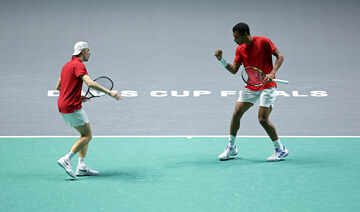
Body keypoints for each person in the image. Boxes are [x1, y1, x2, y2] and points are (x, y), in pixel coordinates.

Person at [214, 22, 289, 161]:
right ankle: (231, 148)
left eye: (236, 37)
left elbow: (280, 56)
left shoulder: (264, 42)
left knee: (263, 119)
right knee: (236, 113)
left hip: (267, 85)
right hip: (251, 86)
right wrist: (221, 60)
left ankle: (280, 150)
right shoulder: (240, 49)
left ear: (245, 35)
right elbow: (234, 70)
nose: (234, 40)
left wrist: (272, 73)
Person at [56, 41, 122, 178]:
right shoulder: (79, 66)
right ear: (82, 51)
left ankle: (82, 167)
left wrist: (78, 95)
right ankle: (67, 159)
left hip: (63, 104)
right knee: (87, 136)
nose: (90, 53)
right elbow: (90, 83)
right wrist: (111, 93)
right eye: (88, 50)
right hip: (72, 106)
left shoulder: (66, 66)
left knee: (84, 135)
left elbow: (59, 87)